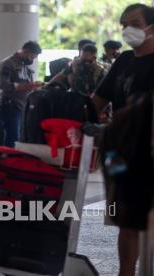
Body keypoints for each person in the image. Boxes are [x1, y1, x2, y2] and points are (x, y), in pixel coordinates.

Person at [93, 4, 154, 276]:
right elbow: (97, 100)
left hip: (150, 150)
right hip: (119, 153)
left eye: (135, 23)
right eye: (123, 24)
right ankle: (125, 272)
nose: (128, 29)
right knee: (125, 219)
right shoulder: (124, 61)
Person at [0, 41, 43, 148]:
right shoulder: (8, 63)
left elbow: (27, 84)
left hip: (22, 107)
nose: (32, 60)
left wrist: (34, 86)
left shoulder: (25, 67)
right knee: (12, 138)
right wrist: (27, 86)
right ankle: (7, 162)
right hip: (10, 106)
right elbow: (2, 84)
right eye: (32, 57)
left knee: (19, 139)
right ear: (25, 52)